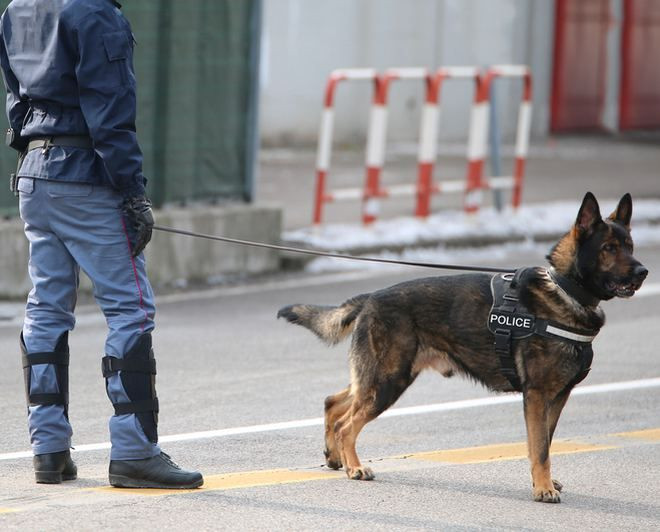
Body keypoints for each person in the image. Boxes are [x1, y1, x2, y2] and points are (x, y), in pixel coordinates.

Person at [0, 0, 203, 488]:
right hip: (86, 178)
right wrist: (132, 191)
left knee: (46, 309)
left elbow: (16, 96)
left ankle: (48, 451)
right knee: (130, 310)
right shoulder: (94, 12)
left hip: (34, 174)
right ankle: (134, 452)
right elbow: (110, 109)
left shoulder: (17, 10)